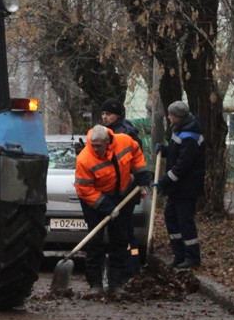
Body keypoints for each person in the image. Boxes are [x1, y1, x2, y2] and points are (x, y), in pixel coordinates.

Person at [74, 124, 150, 295]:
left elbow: (136, 153)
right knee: (95, 241)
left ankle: (116, 283)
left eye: (98, 146)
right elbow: (84, 190)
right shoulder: (85, 159)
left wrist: (141, 174)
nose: (95, 149)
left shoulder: (124, 141)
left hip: (120, 195)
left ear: (108, 141)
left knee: (120, 239)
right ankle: (95, 284)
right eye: (92, 145)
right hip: (94, 201)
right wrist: (106, 207)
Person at [158, 100, 206, 269]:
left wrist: (164, 181)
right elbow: (176, 153)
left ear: (178, 116)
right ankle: (179, 254)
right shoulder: (180, 129)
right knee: (171, 217)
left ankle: (192, 256)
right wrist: (165, 150)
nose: (168, 117)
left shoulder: (191, 137)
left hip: (186, 188)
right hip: (177, 188)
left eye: (171, 115)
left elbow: (183, 166)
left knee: (184, 221)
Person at [100, 98, 144, 276]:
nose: (104, 117)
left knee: (123, 232)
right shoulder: (108, 132)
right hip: (116, 190)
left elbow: (131, 162)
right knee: (121, 231)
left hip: (125, 190)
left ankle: (131, 267)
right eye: (103, 114)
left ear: (117, 115)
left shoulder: (125, 134)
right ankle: (127, 267)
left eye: (108, 114)